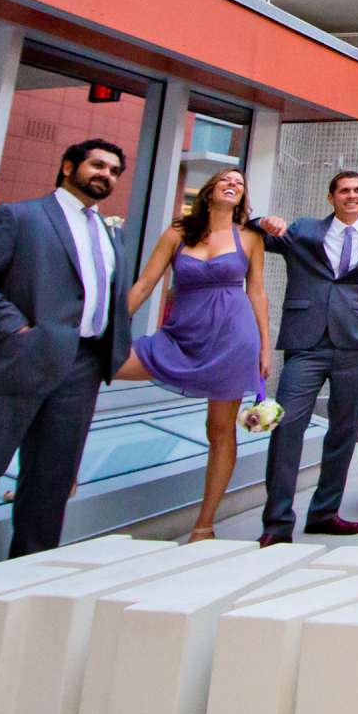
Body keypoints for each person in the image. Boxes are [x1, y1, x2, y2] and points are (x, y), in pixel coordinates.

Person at [0, 139, 134, 576]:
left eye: (115, 171)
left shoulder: (109, 230)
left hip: (82, 367)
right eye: (97, 165)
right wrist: (13, 328)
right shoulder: (20, 216)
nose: (106, 175)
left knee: (51, 482)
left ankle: (29, 574)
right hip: (16, 363)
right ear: (67, 167)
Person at [116, 167, 269, 542]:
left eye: (240, 183)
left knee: (219, 430)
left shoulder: (250, 238)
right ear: (209, 190)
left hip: (234, 339)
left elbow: (257, 293)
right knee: (99, 366)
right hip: (179, 335)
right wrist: (112, 328)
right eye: (226, 180)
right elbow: (146, 283)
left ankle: (204, 524)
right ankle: (65, 472)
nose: (234, 184)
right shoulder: (177, 233)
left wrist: (266, 347)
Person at [252, 170, 358, 544]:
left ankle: (324, 512)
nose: (351, 196)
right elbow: (255, 235)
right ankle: (276, 522)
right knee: (287, 427)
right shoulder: (304, 232)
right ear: (331, 197)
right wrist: (261, 221)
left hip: (356, 345)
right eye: (344, 191)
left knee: (343, 431)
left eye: (357, 190)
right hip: (306, 343)